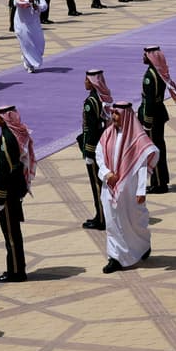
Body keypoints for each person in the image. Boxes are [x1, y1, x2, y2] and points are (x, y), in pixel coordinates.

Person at [98, 102, 159, 273]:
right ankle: (115, 257)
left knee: (134, 221)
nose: (114, 117)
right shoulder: (108, 134)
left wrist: (141, 190)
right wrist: (106, 173)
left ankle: (142, 245)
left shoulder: (137, 138)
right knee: (112, 222)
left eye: (117, 114)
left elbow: (141, 165)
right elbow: (99, 154)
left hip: (129, 189)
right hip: (110, 186)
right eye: (113, 114)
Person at [0, 105, 35, 283]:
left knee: (11, 234)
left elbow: (5, 170)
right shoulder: (11, 135)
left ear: (3, 118)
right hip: (13, 191)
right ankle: (16, 268)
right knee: (13, 233)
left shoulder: (6, 139)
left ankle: (16, 272)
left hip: (7, 194)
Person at [140, 45, 176, 194]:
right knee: (159, 147)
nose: (143, 57)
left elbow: (149, 101)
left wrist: (147, 122)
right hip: (159, 113)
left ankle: (159, 183)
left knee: (155, 149)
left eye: (145, 54)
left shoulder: (150, 76)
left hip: (153, 117)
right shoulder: (158, 72)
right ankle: (160, 180)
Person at [78, 69, 111, 230]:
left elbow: (90, 129)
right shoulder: (101, 97)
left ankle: (102, 218)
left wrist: (88, 151)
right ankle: (101, 215)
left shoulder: (91, 102)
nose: (84, 82)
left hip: (94, 148)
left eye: (86, 80)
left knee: (97, 184)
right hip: (102, 145)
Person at [12, 0, 47, 73]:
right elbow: (18, 2)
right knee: (27, 44)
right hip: (22, 24)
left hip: (35, 23)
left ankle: (27, 58)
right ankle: (29, 65)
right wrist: (29, 1)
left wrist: (37, 6)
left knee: (40, 44)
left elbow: (44, 6)